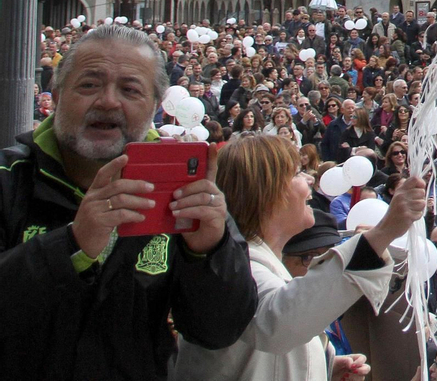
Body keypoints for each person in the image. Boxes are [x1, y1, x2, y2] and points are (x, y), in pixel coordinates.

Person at [0, 23, 257, 379]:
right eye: (89, 85)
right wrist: (71, 247)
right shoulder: (8, 177)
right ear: (56, 96)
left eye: (130, 89)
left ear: (155, 105)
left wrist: (210, 251)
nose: (107, 101)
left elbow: (218, 331)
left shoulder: (181, 191)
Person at [172, 131, 429, 381]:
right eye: (296, 173)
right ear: (267, 192)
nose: (309, 179)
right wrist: (385, 231)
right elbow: (277, 323)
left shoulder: (266, 262)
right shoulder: (230, 267)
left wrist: (320, 367)